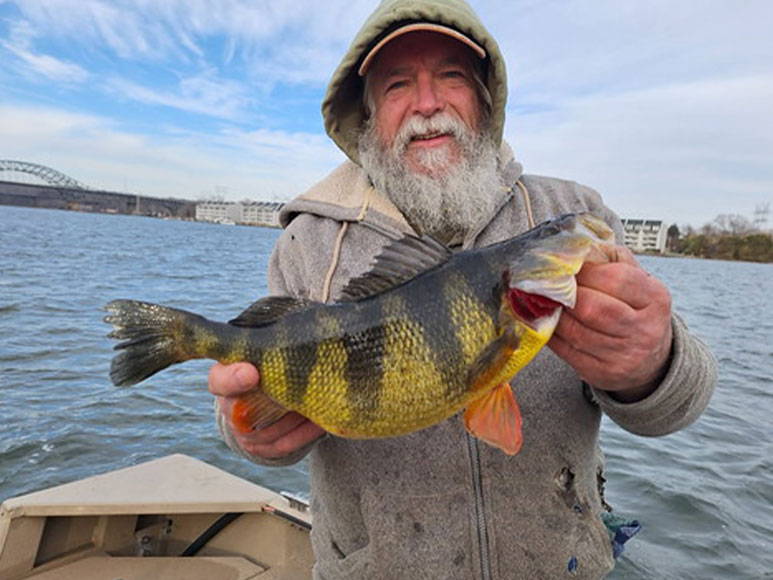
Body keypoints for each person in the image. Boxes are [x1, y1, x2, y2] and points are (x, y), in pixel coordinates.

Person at [209, 1, 717, 578]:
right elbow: (253, 405)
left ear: (484, 97)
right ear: (368, 117)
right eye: (399, 84)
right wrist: (247, 431)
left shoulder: (572, 214)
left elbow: (681, 406)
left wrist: (652, 364)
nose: (427, 104)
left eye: (450, 75)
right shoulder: (305, 245)